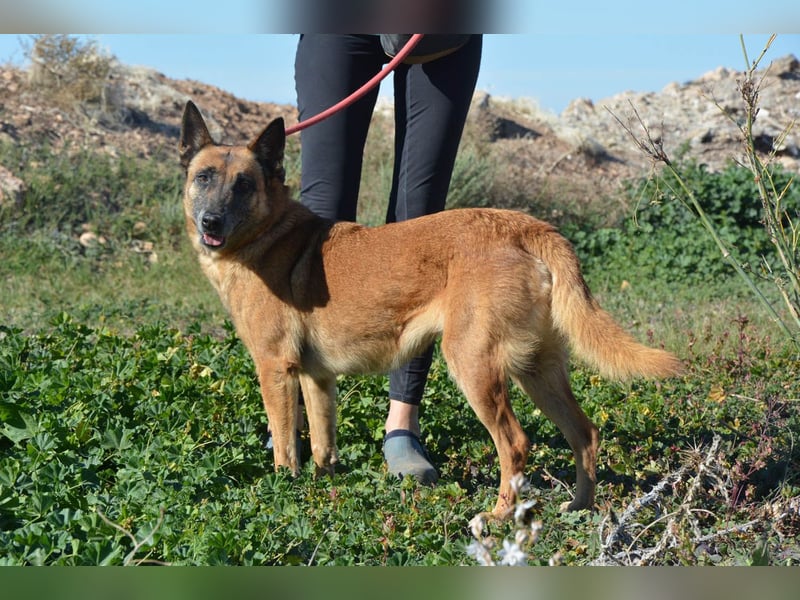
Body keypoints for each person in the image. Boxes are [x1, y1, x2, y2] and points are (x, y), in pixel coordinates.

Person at [294, 34, 483, 484]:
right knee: (319, 216)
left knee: (420, 223)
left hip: (442, 32)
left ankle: (402, 424)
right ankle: (296, 418)